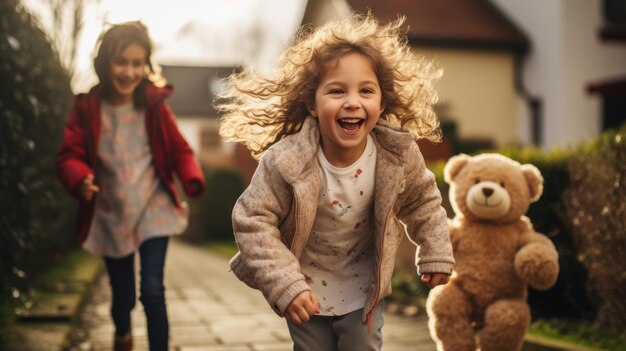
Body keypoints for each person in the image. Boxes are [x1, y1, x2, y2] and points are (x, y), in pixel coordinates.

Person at [217, 13, 454, 351]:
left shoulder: (397, 155)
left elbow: (423, 202)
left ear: (381, 102)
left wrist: (435, 250)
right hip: (304, 285)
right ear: (312, 104)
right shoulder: (287, 161)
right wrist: (285, 283)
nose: (352, 101)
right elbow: (252, 219)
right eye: (337, 90)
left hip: (364, 287)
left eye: (366, 90)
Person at [56, 21, 204, 351]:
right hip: (112, 214)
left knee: (152, 289)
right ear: (105, 63)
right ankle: (122, 330)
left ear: (146, 65)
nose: (129, 71)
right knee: (122, 295)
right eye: (121, 62)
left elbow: (179, 148)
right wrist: (80, 178)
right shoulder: (87, 108)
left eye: (137, 63)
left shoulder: (153, 106)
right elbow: (69, 154)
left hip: (154, 208)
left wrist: (190, 175)